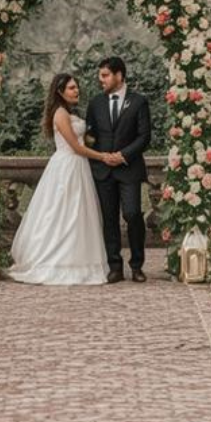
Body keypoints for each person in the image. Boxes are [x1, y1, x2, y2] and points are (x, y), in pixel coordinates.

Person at [7, 72, 115, 286]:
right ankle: (57, 262)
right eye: (72, 88)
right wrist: (103, 156)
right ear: (60, 92)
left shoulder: (69, 112)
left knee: (79, 214)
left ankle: (79, 260)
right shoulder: (60, 114)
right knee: (62, 213)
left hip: (79, 167)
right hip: (67, 166)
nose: (77, 91)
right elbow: (75, 147)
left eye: (77, 87)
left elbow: (82, 140)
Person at [84, 55, 152, 283]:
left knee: (133, 214)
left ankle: (137, 265)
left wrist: (122, 155)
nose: (100, 80)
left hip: (129, 168)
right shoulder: (95, 103)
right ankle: (114, 266)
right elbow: (90, 135)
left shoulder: (139, 102)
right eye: (100, 75)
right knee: (109, 218)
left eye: (105, 75)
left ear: (119, 75)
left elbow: (145, 136)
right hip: (103, 170)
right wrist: (97, 153)